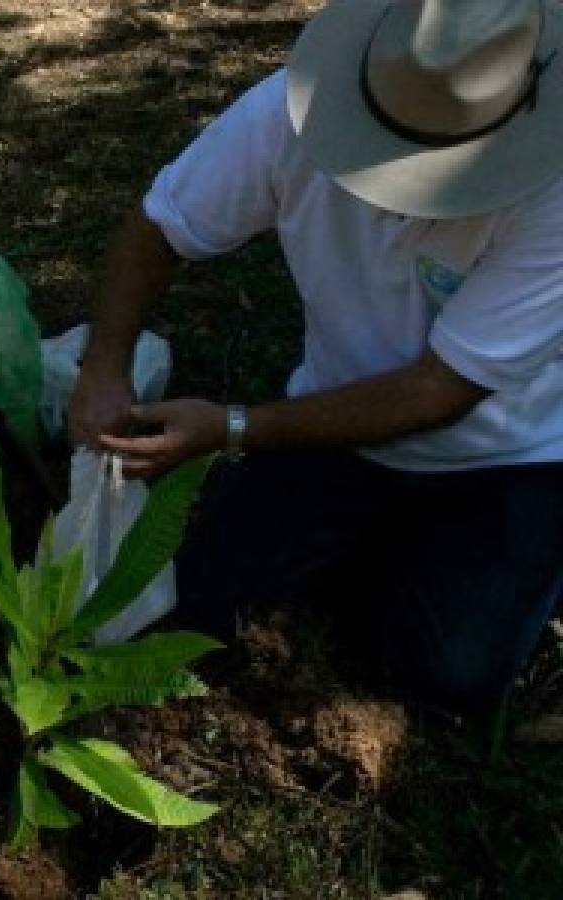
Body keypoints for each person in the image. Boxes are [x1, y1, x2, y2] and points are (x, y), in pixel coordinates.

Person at [70, 0, 563, 713]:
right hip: (330, 422)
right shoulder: (285, 116)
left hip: (509, 455)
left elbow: (438, 390)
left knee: (449, 679)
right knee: (201, 608)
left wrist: (235, 428)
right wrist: (102, 368)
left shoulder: (552, 188)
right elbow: (159, 227)